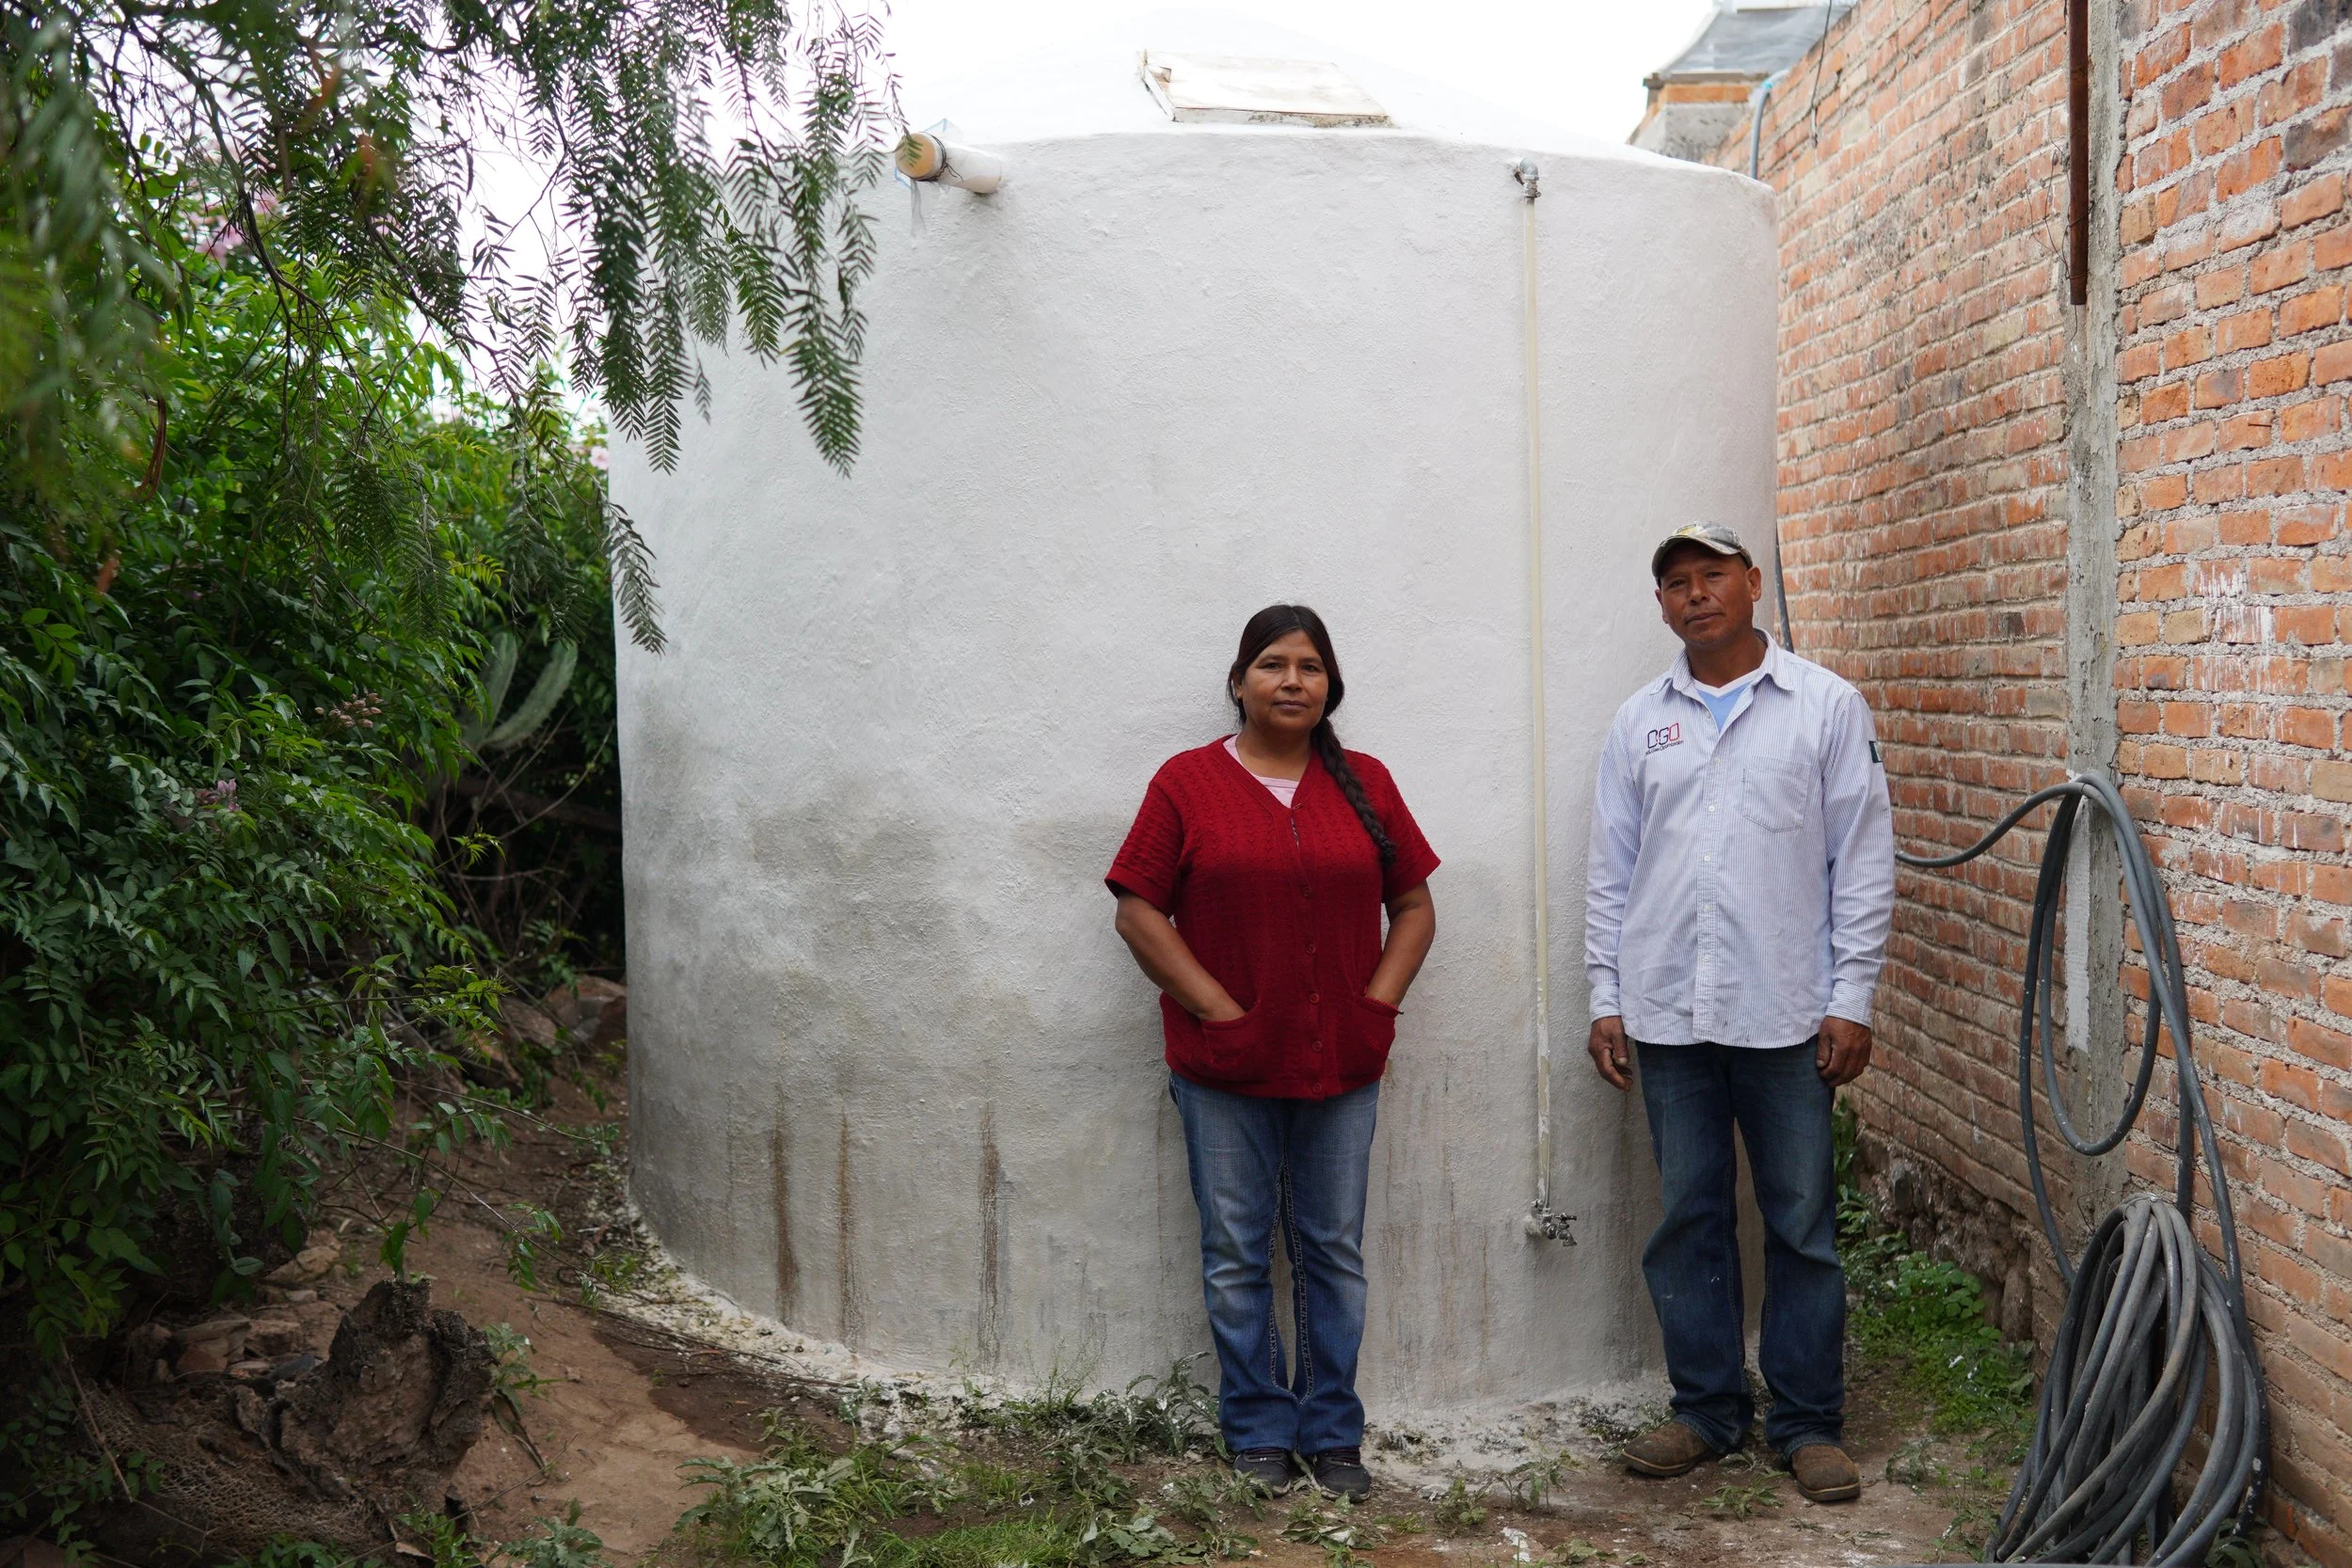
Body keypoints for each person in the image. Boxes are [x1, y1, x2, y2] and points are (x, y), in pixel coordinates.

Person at [1582, 522, 1894, 1505]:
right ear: (1662, 604)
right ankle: (1706, 1409)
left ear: (1751, 583)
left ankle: (1806, 1422)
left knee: (1800, 1218)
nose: (1693, 594)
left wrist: (1852, 996)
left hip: (1788, 1013)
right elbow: (1611, 869)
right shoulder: (1641, 721)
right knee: (1689, 1217)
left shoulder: (1824, 707)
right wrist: (1606, 994)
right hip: (1668, 1011)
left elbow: (1863, 857)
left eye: (1710, 574)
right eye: (1673, 582)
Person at [1106, 605, 1439, 1500]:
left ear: (1330, 685)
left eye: (1310, 666)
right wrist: (1220, 1012)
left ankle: (1332, 1432)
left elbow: (1414, 906)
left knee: (1332, 1249)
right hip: (1223, 1068)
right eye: (1272, 663)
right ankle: (1257, 1425)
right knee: (1235, 1251)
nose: (1293, 680)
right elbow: (1138, 910)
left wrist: (1377, 1004)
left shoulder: (1363, 780)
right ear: (1239, 680)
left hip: (1342, 1064)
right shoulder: (1187, 782)